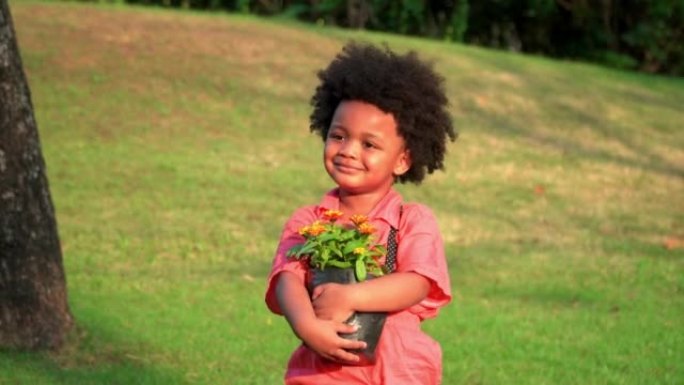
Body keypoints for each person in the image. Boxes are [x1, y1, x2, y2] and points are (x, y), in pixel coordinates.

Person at [264, 41, 457, 385]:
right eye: (338, 136)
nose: (348, 151)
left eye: (369, 144)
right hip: (325, 370)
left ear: (402, 159)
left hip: (399, 371)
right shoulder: (309, 222)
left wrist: (350, 296)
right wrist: (308, 327)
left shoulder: (411, 221)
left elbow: (417, 282)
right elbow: (287, 279)